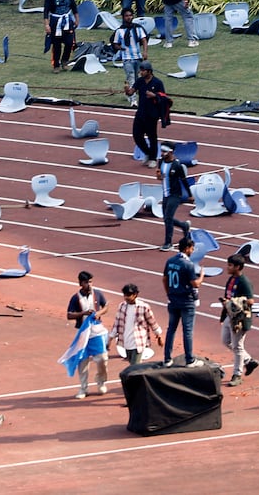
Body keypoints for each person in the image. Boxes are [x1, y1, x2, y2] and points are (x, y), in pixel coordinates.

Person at [161, 236, 204, 368]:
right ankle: (190, 360)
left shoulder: (170, 261)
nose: (193, 250)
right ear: (187, 248)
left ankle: (167, 359)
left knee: (171, 330)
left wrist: (169, 294)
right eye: (192, 248)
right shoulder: (188, 265)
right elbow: (195, 284)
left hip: (173, 300)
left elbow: (164, 279)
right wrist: (202, 275)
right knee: (187, 331)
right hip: (186, 301)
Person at [67, 271, 110, 398]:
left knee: (102, 358)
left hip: (97, 332)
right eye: (86, 282)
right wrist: (83, 313)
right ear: (80, 283)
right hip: (83, 333)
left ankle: (101, 381)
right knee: (82, 361)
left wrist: (99, 313)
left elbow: (106, 306)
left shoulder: (97, 294)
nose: (89, 284)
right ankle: (83, 387)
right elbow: (69, 315)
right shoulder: (75, 298)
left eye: (90, 281)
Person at [219, 253, 257, 387]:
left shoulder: (244, 282)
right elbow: (227, 298)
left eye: (230, 265)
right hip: (229, 316)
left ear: (238, 267)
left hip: (239, 320)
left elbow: (251, 300)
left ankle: (237, 374)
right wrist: (223, 314)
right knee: (225, 341)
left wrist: (236, 302)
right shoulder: (231, 280)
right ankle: (249, 361)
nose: (227, 267)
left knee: (237, 346)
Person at [108, 283, 163, 365]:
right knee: (132, 365)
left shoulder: (143, 307)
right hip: (126, 341)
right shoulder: (122, 306)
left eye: (129, 295)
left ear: (135, 295)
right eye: (125, 295)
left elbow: (152, 321)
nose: (126, 297)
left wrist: (159, 336)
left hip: (138, 341)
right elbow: (117, 323)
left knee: (135, 366)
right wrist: (110, 339)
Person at [128, 61, 165, 166]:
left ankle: (153, 158)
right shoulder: (140, 81)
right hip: (140, 113)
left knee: (152, 136)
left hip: (152, 114)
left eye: (143, 71)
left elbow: (163, 97)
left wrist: (154, 96)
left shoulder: (157, 83)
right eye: (140, 70)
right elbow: (132, 91)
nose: (141, 72)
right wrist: (127, 90)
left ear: (149, 71)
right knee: (136, 135)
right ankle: (147, 153)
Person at [156, 143, 191, 251]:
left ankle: (168, 243)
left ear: (170, 152)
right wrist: (158, 176)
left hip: (175, 195)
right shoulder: (161, 161)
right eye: (161, 151)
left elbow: (184, 180)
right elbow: (160, 176)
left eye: (164, 152)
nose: (162, 153)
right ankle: (184, 226)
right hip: (165, 194)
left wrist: (190, 195)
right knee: (166, 218)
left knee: (168, 218)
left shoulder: (177, 165)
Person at [112, 7, 148, 107]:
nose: (129, 17)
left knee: (138, 78)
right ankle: (134, 100)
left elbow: (144, 40)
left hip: (138, 57)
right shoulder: (120, 31)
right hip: (127, 59)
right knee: (131, 77)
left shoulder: (138, 28)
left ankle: (133, 93)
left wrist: (145, 52)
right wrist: (121, 48)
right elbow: (115, 44)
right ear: (123, 17)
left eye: (130, 15)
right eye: (127, 16)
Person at [42, 0, 77, 72]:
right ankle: (56, 65)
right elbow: (46, 11)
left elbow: (74, 8)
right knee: (56, 44)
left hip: (67, 21)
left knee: (69, 42)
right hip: (55, 21)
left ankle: (65, 60)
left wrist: (76, 20)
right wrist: (47, 25)